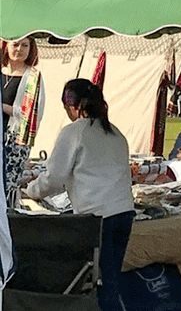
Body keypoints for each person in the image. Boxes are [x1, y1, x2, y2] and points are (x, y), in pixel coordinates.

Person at [24, 80, 133, 311]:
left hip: (98, 218)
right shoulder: (115, 132)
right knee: (111, 280)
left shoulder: (75, 131)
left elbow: (54, 179)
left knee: (102, 284)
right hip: (123, 213)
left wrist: (30, 190)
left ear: (73, 107)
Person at [2, 35, 46, 207]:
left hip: (15, 143)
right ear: (6, 46)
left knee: (8, 186)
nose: (19, 49)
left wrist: (6, 108)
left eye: (25, 45)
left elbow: (33, 114)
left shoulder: (33, 77)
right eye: (15, 44)